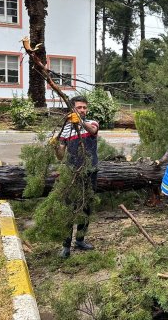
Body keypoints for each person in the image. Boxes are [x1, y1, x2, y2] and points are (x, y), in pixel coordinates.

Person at [53, 95, 99, 258]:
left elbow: (92, 130)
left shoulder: (92, 123)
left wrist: (79, 121)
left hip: (90, 172)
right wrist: (55, 146)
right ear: (72, 108)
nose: (83, 110)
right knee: (70, 208)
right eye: (79, 107)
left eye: (84, 107)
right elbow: (60, 155)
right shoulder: (66, 129)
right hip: (72, 173)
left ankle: (80, 240)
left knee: (86, 207)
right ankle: (66, 246)